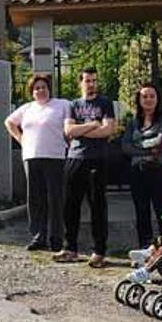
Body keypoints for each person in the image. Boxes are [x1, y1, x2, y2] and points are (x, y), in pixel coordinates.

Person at [53, 67, 116, 266]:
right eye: (87, 81)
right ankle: (69, 248)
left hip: (98, 159)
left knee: (97, 205)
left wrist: (82, 130)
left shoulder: (105, 103)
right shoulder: (73, 105)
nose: (91, 84)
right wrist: (93, 124)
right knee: (70, 205)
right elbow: (69, 131)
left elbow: (109, 130)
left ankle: (99, 252)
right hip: (75, 158)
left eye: (94, 81)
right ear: (80, 82)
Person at [5, 74, 69, 252]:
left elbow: (70, 125)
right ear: (32, 92)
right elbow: (9, 122)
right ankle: (38, 235)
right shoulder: (27, 108)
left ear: (49, 89)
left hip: (55, 156)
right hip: (32, 156)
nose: (40, 90)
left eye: (43, 87)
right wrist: (20, 139)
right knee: (35, 198)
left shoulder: (61, 105)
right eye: (36, 88)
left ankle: (56, 237)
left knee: (55, 198)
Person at [121, 83, 162, 249]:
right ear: (139, 99)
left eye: (152, 96)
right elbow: (125, 147)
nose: (148, 99)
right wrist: (146, 151)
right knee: (141, 211)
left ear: (157, 99)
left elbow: (159, 141)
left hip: (158, 170)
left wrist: (138, 144)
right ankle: (145, 246)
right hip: (138, 171)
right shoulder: (132, 122)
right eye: (144, 96)